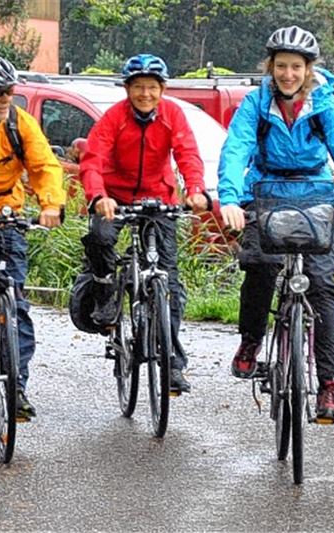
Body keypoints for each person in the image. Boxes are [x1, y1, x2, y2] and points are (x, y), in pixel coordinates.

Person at [218, 26, 334, 422]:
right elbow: (236, 149)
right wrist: (230, 198)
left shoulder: (324, 105)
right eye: (281, 66)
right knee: (260, 266)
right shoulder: (255, 104)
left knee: (322, 288)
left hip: (315, 196)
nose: (288, 74)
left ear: (308, 69)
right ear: (271, 67)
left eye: (296, 67)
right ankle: (251, 342)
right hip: (265, 192)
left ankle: (329, 387)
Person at [78, 53, 209, 394]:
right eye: (138, 87)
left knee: (170, 282)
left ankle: (173, 366)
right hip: (114, 196)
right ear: (127, 89)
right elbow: (93, 159)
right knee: (99, 236)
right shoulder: (114, 118)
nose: (146, 94)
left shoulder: (172, 115)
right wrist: (97, 195)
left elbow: (187, 154)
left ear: (162, 89)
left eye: (152, 87)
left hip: (158, 198)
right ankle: (106, 290)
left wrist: (194, 189)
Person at [0, 53, 64, 421]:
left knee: (15, 299)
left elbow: (44, 166)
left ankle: (17, 383)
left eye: (9, 91)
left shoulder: (19, 124)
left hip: (5, 213)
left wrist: (51, 204)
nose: (4, 99)